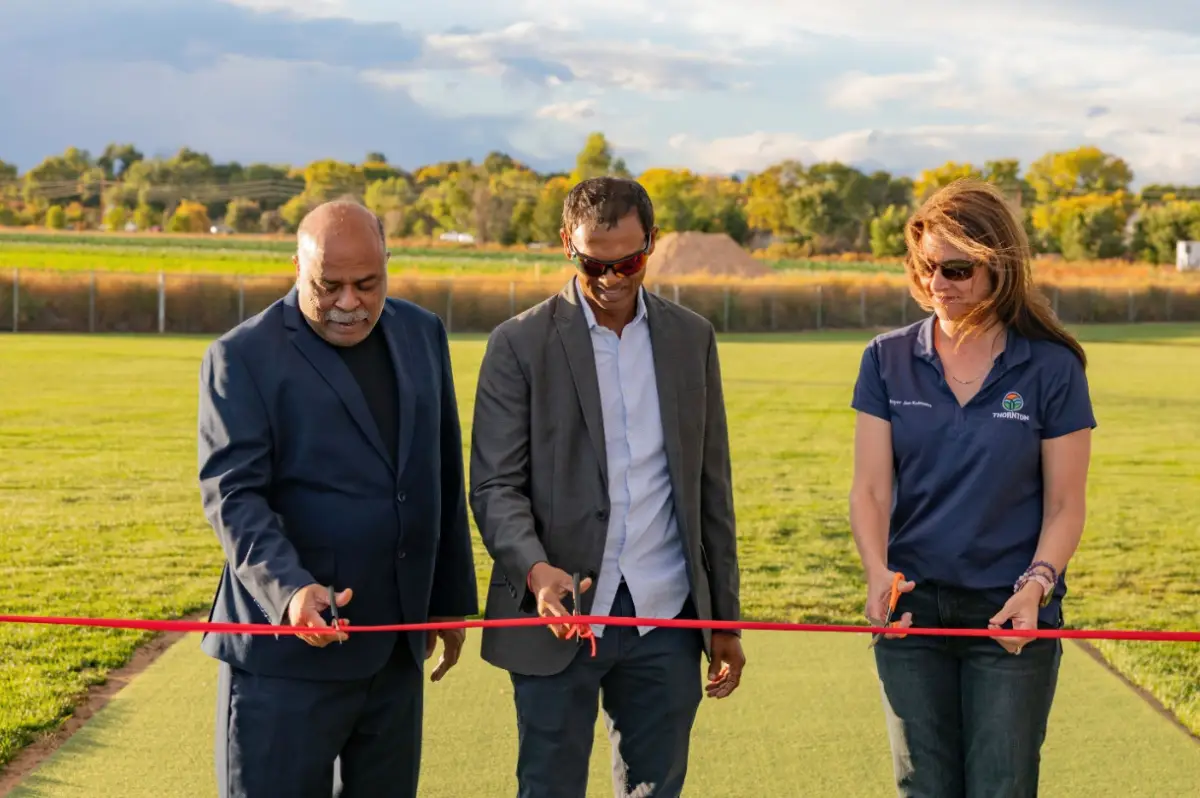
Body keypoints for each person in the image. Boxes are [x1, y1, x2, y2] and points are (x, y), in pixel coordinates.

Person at [468, 176, 746, 798]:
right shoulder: (517, 344)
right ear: (567, 243)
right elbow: (493, 486)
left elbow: (711, 488)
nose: (614, 276)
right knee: (548, 787)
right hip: (557, 619)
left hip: (667, 616)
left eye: (630, 260)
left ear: (651, 243)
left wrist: (723, 618)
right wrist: (536, 571)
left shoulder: (691, 338)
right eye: (596, 261)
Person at [196, 200, 478, 798]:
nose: (349, 302)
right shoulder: (240, 356)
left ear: (388, 266)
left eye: (367, 284)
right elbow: (233, 495)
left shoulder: (423, 333)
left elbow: (440, 473)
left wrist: (448, 601)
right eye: (330, 285)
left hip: (396, 654)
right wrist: (291, 590)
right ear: (296, 267)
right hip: (284, 663)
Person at [849, 178, 1096, 797]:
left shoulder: (1051, 367)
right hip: (912, 613)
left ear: (997, 268)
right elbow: (871, 491)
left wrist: (1036, 587)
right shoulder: (885, 358)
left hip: (1010, 615)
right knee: (923, 786)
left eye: (956, 269)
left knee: (1001, 787)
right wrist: (877, 571)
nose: (938, 284)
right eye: (927, 267)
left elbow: (1066, 504)